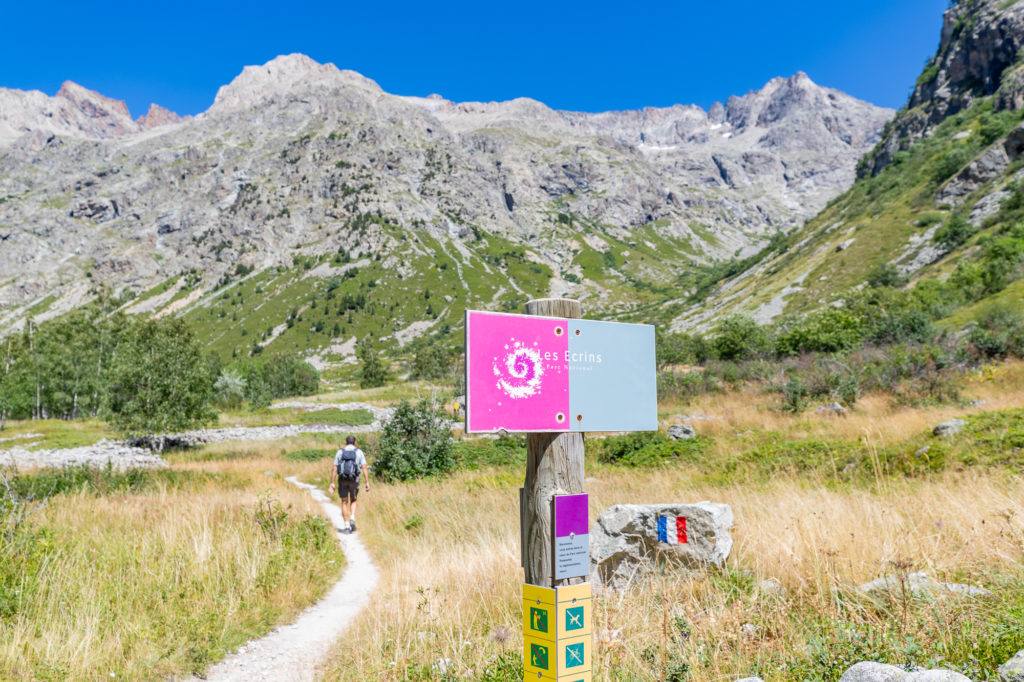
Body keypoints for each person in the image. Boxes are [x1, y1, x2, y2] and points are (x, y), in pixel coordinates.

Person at [329, 435, 370, 532]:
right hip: (354, 479)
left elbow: (334, 468)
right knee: (354, 500)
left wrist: (332, 482)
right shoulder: (359, 452)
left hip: (342, 479)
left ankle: (347, 526)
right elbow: (364, 467)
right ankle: (352, 518)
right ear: (355, 442)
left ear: (345, 442)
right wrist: (367, 482)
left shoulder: (340, 452)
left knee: (344, 501)